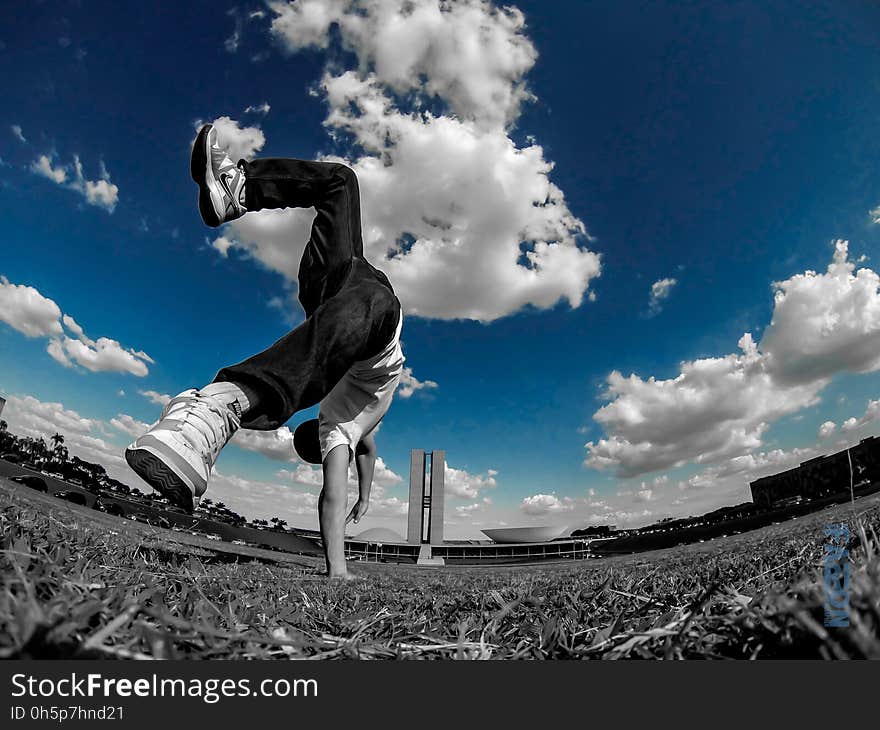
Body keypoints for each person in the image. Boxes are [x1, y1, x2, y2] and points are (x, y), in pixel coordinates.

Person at [125, 124, 405, 579]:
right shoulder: (352, 427)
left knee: (374, 298)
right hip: (341, 285)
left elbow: (339, 485)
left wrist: (338, 568)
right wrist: (368, 497)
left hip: (351, 306)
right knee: (341, 181)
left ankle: (222, 406)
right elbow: (367, 451)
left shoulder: (338, 428)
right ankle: (236, 189)